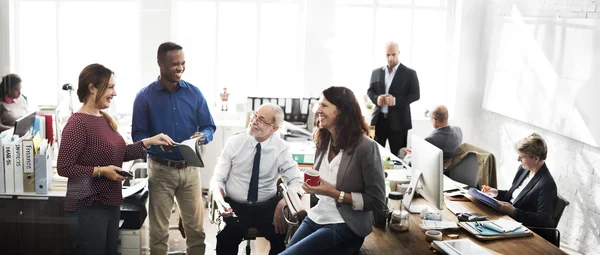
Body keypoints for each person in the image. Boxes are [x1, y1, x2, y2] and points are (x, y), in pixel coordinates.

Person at [57, 63, 174, 255]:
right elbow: (64, 167)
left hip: (109, 204)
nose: (114, 93)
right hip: (88, 207)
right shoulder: (77, 123)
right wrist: (101, 171)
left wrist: (149, 142)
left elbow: (119, 154)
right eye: (110, 87)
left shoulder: (103, 118)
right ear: (92, 88)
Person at [132, 42, 216, 255]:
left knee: (196, 230)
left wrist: (203, 136)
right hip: (160, 171)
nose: (180, 68)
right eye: (174, 64)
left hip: (190, 171)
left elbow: (208, 125)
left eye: (183, 63)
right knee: (158, 233)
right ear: (160, 64)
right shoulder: (144, 97)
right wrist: (155, 143)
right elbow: (138, 136)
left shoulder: (194, 93)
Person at [282, 86, 386, 255]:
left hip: (345, 224)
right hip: (316, 216)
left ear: (342, 111)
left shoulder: (366, 147)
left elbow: (377, 201)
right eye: (319, 105)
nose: (318, 110)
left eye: (324, 106)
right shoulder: (323, 140)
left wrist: (335, 193)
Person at [210, 103, 302, 255]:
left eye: (261, 120)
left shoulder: (281, 148)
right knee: (225, 238)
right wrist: (220, 201)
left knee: (282, 239)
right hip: (235, 206)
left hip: (266, 206)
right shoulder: (235, 142)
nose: (253, 121)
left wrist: (283, 202)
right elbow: (218, 178)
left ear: (274, 128)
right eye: (255, 115)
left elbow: (297, 182)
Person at [481, 133, 557, 227]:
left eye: (522, 156)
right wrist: (495, 192)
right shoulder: (523, 170)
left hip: (521, 227)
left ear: (536, 159)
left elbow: (543, 220)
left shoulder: (546, 184)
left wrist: (514, 212)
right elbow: (517, 196)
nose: (518, 159)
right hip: (506, 219)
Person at [367, 41, 420, 157]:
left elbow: (416, 94)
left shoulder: (410, 73)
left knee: (399, 157)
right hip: (378, 121)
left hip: (399, 123)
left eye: (393, 54)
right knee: (373, 154)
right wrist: (377, 99)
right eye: (388, 55)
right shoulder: (376, 72)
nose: (390, 58)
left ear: (398, 53)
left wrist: (395, 100)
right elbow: (370, 91)